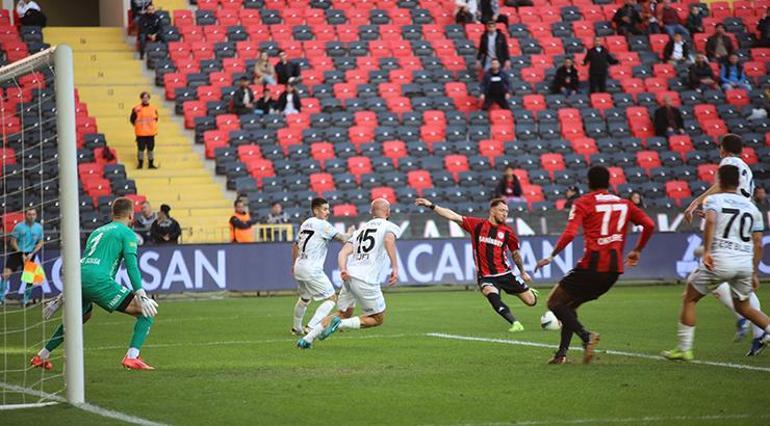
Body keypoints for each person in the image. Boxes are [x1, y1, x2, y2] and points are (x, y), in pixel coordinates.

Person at [535, 166, 655, 364]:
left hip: (592, 266)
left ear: (588, 183)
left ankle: (586, 337)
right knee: (569, 307)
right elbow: (649, 225)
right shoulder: (625, 204)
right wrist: (638, 250)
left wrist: (552, 256)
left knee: (554, 303)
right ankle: (561, 354)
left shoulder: (583, 203)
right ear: (609, 183)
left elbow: (570, 233)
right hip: (613, 272)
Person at [31, 198, 159, 370]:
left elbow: (88, 262)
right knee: (146, 312)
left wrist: (63, 296)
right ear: (131, 215)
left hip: (77, 276)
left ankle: (42, 356)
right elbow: (131, 265)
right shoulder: (127, 233)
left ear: (113, 213)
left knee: (81, 316)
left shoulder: (98, 231)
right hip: (98, 280)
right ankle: (132, 356)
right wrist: (141, 293)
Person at [662, 165, 770, 361]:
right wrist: (754, 271)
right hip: (744, 263)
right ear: (738, 182)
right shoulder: (752, 207)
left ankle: (684, 348)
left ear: (719, 181)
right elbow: (757, 242)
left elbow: (711, 221)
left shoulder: (714, 199)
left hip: (721, 260)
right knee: (745, 308)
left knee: (689, 297)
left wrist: (708, 251)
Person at [683, 134, 765, 354]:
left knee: (709, 273)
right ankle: (756, 329)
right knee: (734, 278)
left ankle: (749, 323)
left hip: (732, 223)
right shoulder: (746, 167)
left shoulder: (728, 163)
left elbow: (720, 187)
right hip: (740, 220)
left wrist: (697, 201)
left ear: (723, 149)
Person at [415, 197, 538, 332]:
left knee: (531, 302)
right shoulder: (477, 225)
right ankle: (515, 323)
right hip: (486, 276)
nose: (505, 214)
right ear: (492, 211)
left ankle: (529, 292)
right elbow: (453, 216)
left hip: (506, 274)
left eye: (507, 211)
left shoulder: (508, 232)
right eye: (502, 210)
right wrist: (431, 205)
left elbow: (515, 254)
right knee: (492, 296)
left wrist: (522, 271)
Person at [297, 199, 401, 349]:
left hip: (349, 276)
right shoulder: (389, 226)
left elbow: (343, 253)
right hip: (366, 279)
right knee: (377, 318)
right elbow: (388, 240)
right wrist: (395, 267)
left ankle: (307, 339)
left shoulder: (360, 230)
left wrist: (343, 269)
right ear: (388, 212)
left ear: (371, 212)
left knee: (344, 312)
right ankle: (340, 324)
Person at [290, 198, 354, 336]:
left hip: (299, 266)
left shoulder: (306, 223)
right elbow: (343, 238)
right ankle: (311, 327)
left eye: (328, 209)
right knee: (331, 298)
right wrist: (350, 233)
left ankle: (296, 328)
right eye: (324, 209)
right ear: (315, 210)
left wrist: (293, 263)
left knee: (305, 298)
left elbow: (295, 245)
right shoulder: (322, 224)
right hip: (311, 268)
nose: (328, 212)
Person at [1, 208, 44, 306]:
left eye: (33, 214)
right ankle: (1, 298)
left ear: (36, 215)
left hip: (30, 254)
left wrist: (32, 253)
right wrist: (21, 253)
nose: (31, 216)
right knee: (6, 274)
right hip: (17, 252)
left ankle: (25, 300)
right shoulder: (18, 227)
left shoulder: (39, 228)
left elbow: (41, 242)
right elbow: (13, 241)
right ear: (26, 215)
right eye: (29, 214)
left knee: (30, 278)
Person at [130, 91, 159, 169]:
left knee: (151, 149)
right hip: (141, 133)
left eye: (147, 97)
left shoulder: (153, 108)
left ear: (149, 98)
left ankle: (151, 164)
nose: (145, 99)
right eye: (144, 97)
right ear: (141, 98)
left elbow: (156, 119)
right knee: (141, 149)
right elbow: (132, 120)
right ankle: (140, 164)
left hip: (151, 133)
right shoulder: (136, 109)